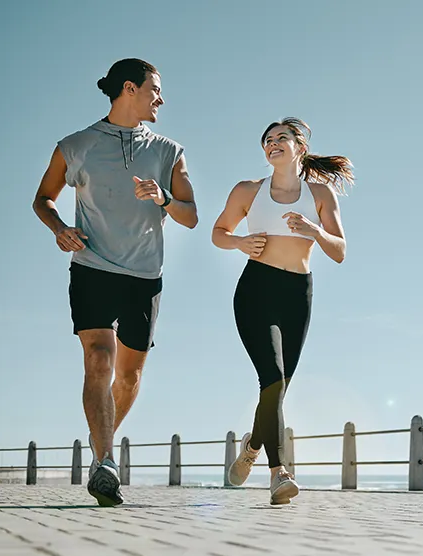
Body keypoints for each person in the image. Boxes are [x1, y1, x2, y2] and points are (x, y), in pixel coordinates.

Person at [32, 58, 198, 506]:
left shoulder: (169, 151)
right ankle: (106, 461)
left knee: (128, 376)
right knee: (100, 359)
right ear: (130, 88)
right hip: (92, 267)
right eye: (155, 89)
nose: (160, 98)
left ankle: (98, 448)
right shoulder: (76, 145)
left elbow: (191, 216)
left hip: (145, 275)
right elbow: (43, 198)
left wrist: (163, 198)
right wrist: (59, 228)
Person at [212, 117, 352, 505]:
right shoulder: (248, 191)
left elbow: (339, 251)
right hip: (256, 289)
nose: (273, 144)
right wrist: (240, 243)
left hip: (298, 294)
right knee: (272, 378)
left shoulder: (320, 194)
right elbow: (218, 232)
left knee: (279, 388)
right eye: (268, 140)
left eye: (282, 139)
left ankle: (253, 445)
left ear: (299, 148)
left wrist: (314, 231)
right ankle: (279, 474)